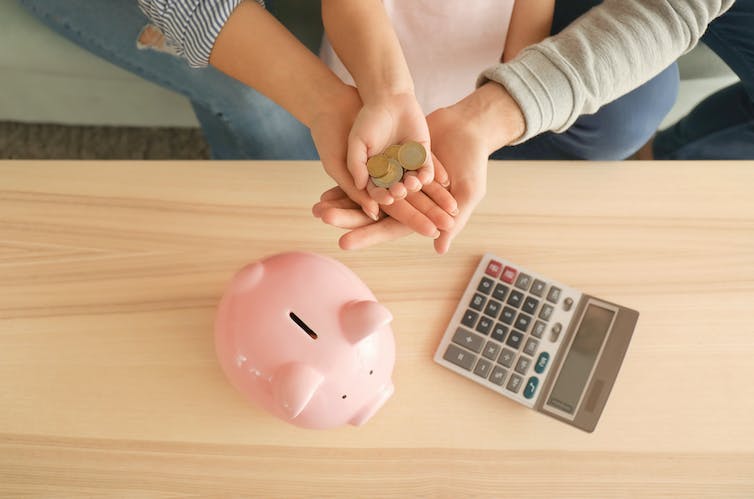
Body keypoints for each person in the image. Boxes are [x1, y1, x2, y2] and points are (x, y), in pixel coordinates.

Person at [20, 0, 735, 254]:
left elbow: (667, 11)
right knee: (264, 122)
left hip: (433, 79)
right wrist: (336, 99)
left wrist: (494, 113)